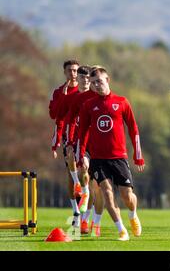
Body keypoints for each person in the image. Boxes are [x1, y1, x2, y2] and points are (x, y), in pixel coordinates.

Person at [76, 67, 146, 241]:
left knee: (127, 196)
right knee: (106, 193)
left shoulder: (121, 102)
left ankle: (132, 214)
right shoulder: (88, 105)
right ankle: (122, 230)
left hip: (119, 158)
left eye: (99, 81)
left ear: (107, 80)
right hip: (98, 159)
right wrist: (81, 156)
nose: (96, 85)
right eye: (93, 83)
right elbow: (82, 133)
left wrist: (138, 155)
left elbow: (133, 128)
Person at [65, 65, 104, 236]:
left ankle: (87, 220)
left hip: (97, 143)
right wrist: (69, 142)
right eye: (82, 77)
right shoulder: (75, 99)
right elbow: (70, 122)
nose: (85, 80)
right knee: (83, 173)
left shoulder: (98, 96)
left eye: (88, 78)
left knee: (97, 185)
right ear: (78, 79)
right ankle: (81, 193)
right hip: (81, 141)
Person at [49, 59, 81, 227]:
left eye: (76, 70)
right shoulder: (58, 92)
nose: (73, 73)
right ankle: (76, 210)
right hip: (68, 137)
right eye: (70, 70)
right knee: (71, 174)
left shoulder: (84, 90)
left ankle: (86, 212)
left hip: (84, 135)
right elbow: (54, 115)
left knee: (86, 173)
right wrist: (63, 95)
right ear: (65, 72)